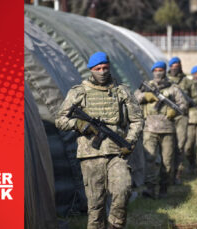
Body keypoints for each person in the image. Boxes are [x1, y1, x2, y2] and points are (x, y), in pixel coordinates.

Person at [55, 51, 143, 229]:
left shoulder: (121, 91)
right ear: (91, 70)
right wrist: (80, 125)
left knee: (123, 190)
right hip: (90, 155)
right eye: (98, 68)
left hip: (117, 152)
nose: (102, 72)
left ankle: (115, 225)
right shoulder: (79, 92)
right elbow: (60, 120)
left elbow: (137, 119)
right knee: (96, 205)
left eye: (105, 68)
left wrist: (130, 141)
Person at [134, 61, 188, 198]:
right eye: (156, 70)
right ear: (153, 71)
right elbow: (133, 99)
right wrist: (145, 96)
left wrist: (174, 112)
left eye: (161, 70)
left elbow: (183, 105)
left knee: (167, 162)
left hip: (167, 129)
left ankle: (164, 188)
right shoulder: (147, 86)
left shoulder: (173, 88)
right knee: (150, 159)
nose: (158, 72)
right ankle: (150, 189)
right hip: (149, 128)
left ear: (165, 71)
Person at [167, 57, 193, 185]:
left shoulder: (187, 82)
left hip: (182, 116)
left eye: (177, 65)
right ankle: (167, 174)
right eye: (173, 65)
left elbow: (195, 98)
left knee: (180, 145)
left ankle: (177, 174)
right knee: (167, 146)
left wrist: (187, 102)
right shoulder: (165, 80)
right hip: (167, 116)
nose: (175, 67)